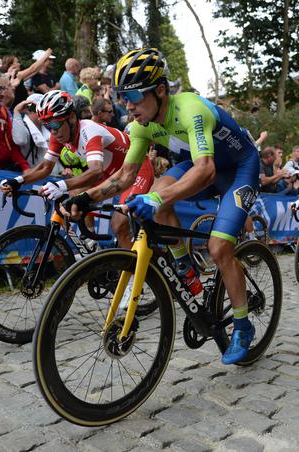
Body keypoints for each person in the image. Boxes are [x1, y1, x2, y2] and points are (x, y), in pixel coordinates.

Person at [63, 48, 262, 365]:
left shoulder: (190, 109)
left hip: (238, 168)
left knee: (219, 246)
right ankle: (187, 270)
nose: (127, 105)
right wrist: (86, 197)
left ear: (159, 91)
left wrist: (156, 199)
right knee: (157, 192)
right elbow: (125, 176)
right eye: (122, 96)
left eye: (133, 96)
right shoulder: (141, 124)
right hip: (198, 165)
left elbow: (206, 169)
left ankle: (242, 325)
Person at [0, 90, 154, 249]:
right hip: (110, 172)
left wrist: (61, 185)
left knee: (118, 225)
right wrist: (18, 181)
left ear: (72, 117)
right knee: (74, 196)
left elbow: (95, 171)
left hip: (137, 169)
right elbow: (45, 167)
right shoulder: (58, 134)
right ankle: (92, 245)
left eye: (54, 124)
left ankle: (137, 271)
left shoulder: (89, 131)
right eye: (47, 126)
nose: (52, 131)